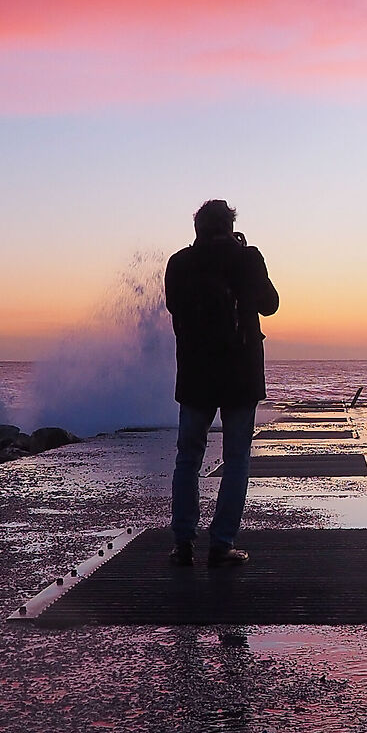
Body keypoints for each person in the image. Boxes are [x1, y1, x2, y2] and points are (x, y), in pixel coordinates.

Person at [164, 199, 280, 568]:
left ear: (197, 228)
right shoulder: (247, 258)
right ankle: (222, 542)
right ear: (230, 226)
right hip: (240, 375)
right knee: (236, 461)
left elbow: (173, 308)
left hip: (196, 373)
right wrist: (243, 257)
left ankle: (183, 543)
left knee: (188, 458)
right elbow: (271, 304)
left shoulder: (179, 263)